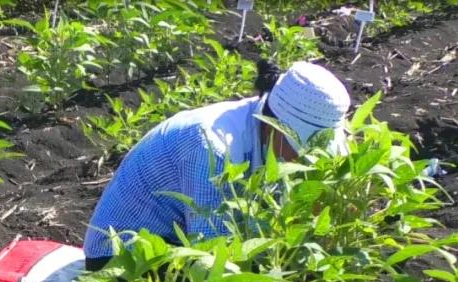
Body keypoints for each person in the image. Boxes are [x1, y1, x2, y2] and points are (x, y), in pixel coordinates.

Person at [83, 61, 352, 270]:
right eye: (302, 147)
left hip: (178, 243)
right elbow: (212, 252)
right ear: (276, 127)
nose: (308, 159)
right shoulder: (212, 146)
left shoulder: (265, 130)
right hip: (123, 258)